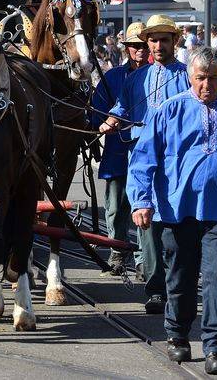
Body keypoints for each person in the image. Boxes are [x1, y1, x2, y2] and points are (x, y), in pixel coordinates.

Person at [128, 46, 217, 375]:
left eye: (213, 78)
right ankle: (177, 334)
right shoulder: (169, 110)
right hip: (177, 210)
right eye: (200, 78)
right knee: (180, 276)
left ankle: (216, 346)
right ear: (191, 78)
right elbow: (144, 159)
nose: (206, 85)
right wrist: (141, 200)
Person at [100, 14, 190, 315]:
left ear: (174, 42)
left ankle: (179, 285)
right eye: (153, 40)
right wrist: (111, 121)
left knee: (178, 223)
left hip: (178, 160)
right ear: (147, 43)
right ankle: (154, 290)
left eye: (165, 39)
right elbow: (122, 107)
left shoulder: (188, 75)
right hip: (141, 159)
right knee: (145, 222)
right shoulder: (136, 79)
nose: (158, 45)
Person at [91, 22, 149, 273]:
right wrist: (103, 123)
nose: (140, 50)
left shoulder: (159, 76)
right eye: (135, 46)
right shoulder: (112, 77)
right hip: (118, 153)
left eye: (144, 45)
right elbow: (96, 114)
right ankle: (117, 252)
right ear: (126, 49)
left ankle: (143, 259)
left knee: (145, 208)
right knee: (116, 208)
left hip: (148, 154)